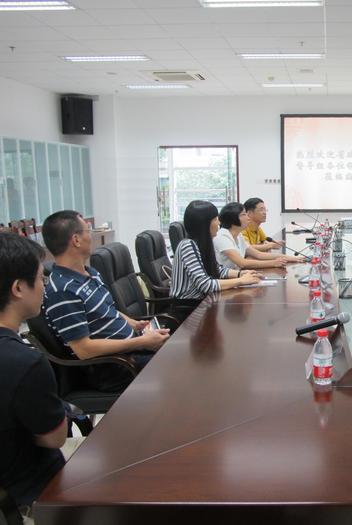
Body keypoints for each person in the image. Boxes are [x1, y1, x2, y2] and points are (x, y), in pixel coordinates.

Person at [42, 211, 171, 392]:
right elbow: (84, 349)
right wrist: (142, 343)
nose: (90, 236)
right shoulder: (62, 290)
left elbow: (106, 309)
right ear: (76, 240)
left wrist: (134, 324)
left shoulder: (90, 273)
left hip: (130, 349)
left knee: (180, 353)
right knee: (180, 370)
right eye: (88, 231)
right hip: (113, 367)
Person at [0, 232, 67, 508]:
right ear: (18, 288)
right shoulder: (26, 363)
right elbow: (55, 438)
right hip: (31, 494)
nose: (44, 287)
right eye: (41, 279)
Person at [170, 200, 262, 301]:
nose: (219, 223)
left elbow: (217, 269)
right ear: (204, 224)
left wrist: (240, 274)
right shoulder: (187, 246)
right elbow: (205, 285)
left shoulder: (204, 243)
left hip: (204, 300)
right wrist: (241, 280)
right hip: (189, 305)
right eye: (215, 219)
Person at [214, 202, 305, 270]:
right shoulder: (222, 237)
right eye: (244, 214)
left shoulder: (238, 235)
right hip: (227, 280)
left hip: (239, 275)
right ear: (232, 219)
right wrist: (273, 263)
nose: (248, 218)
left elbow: (259, 255)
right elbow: (242, 263)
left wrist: (293, 258)